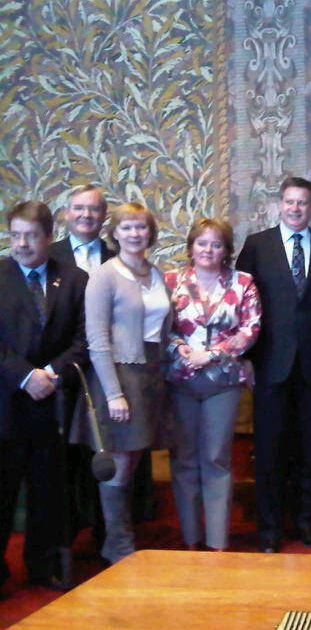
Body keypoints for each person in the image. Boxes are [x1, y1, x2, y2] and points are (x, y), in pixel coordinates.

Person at [236, 177, 311, 553]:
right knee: (269, 452)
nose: (295, 209)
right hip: (269, 366)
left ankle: (307, 525)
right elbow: (242, 304)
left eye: (302, 203)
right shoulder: (257, 246)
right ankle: (269, 531)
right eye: (289, 202)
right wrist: (246, 359)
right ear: (278, 205)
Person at [76, 203, 173, 565]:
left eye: (142, 228)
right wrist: (114, 393)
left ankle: (117, 539)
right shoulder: (105, 275)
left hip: (150, 374)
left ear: (151, 233)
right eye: (127, 228)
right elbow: (97, 338)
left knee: (132, 462)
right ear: (114, 233)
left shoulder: (156, 273)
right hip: (118, 375)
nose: (135, 234)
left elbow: (162, 329)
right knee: (118, 464)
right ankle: (118, 545)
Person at [0, 201, 88, 591]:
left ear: (49, 237)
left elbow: (84, 340)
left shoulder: (74, 278)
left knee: (47, 491)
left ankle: (42, 566)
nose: (21, 243)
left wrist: (50, 375)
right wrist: (25, 377)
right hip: (5, 402)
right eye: (15, 234)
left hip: (52, 403)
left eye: (30, 235)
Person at [165, 218, 261, 552]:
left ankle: (218, 543)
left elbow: (251, 328)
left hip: (224, 381)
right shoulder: (170, 281)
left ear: (226, 250)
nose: (208, 250)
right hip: (180, 381)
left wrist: (211, 354)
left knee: (217, 459)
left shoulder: (243, 282)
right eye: (202, 243)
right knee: (184, 460)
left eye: (216, 244)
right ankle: (191, 539)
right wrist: (182, 350)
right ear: (191, 246)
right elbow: (160, 327)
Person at [49, 184, 115, 548]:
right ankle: (67, 540)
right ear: (66, 213)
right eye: (79, 208)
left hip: (106, 373)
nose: (86, 215)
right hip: (63, 372)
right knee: (65, 459)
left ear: (104, 216)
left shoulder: (118, 255)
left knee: (103, 451)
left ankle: (106, 535)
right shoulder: (50, 255)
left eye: (94, 209)